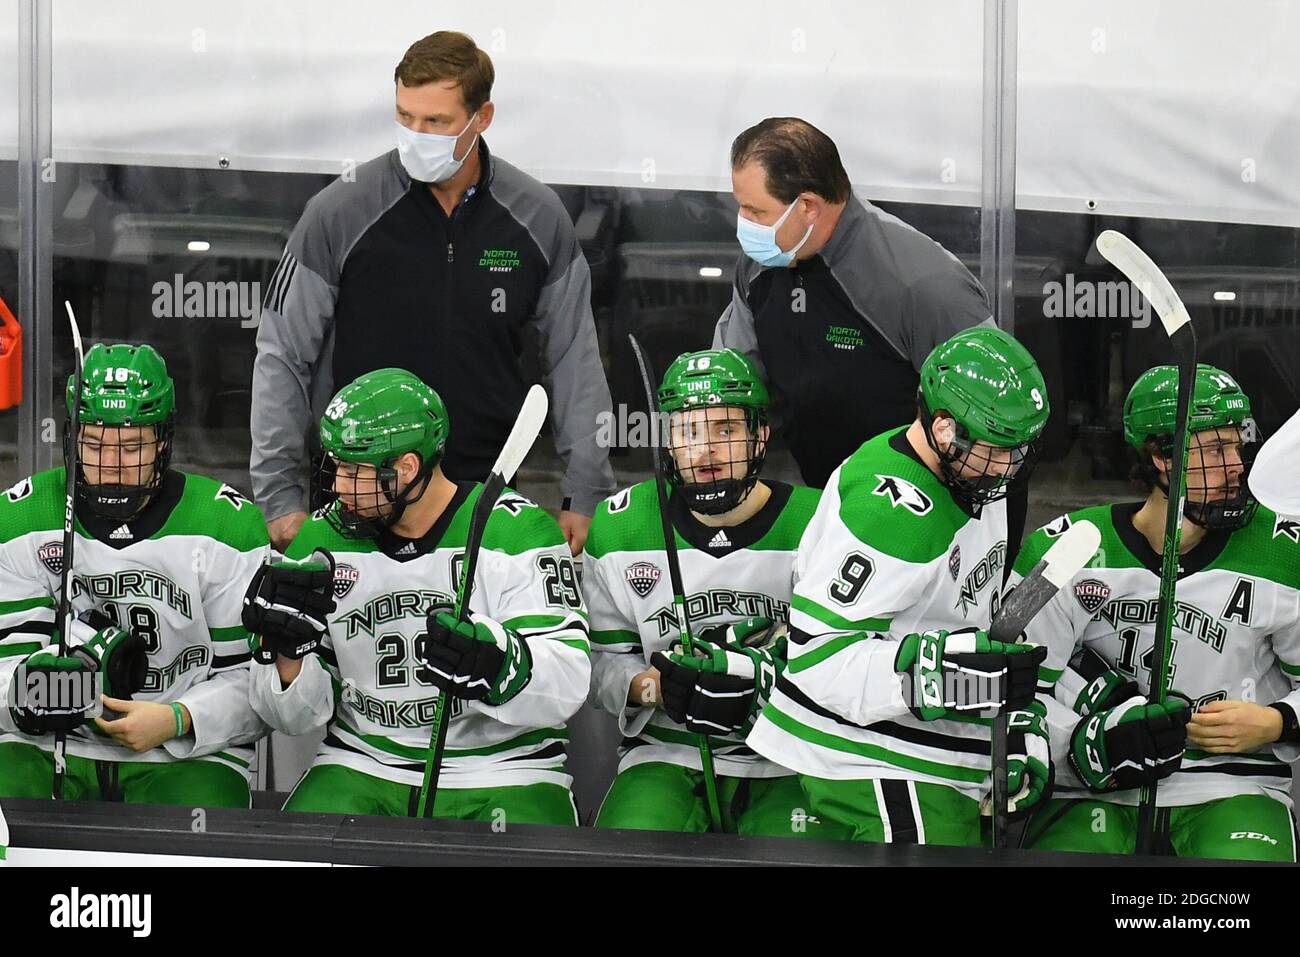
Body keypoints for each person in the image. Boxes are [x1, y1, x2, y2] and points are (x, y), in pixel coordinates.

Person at [251, 30, 614, 557]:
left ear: (481, 118)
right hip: (358, 496)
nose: (416, 134)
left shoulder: (538, 217)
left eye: (436, 122)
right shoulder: (339, 211)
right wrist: (279, 495)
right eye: (404, 117)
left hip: (484, 499)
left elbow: (574, 361)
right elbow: (282, 354)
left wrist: (587, 491)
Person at [747, 326, 1052, 845]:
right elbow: (817, 660)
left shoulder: (976, 478)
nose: (1007, 468)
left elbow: (965, 627)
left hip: (927, 746)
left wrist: (1011, 729)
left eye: (1016, 450)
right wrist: (941, 675)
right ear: (943, 427)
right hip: (864, 752)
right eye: (994, 449)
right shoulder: (890, 513)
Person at [247, 369, 590, 823]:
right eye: (336, 467)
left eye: (355, 471)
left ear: (407, 468)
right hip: (362, 762)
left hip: (505, 768)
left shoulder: (517, 531)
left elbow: (570, 681)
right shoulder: (323, 537)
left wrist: (497, 662)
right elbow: (295, 720)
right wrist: (288, 660)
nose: (339, 488)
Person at [1017, 364, 1299, 861]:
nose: (1237, 464)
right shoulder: (1067, 548)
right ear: (1161, 456)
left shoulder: (1282, 551)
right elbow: (1018, 689)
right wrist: (1085, 743)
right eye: (1216, 450)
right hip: (1093, 786)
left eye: (1238, 445)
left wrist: (1279, 722)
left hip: (1231, 785)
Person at [0, 343, 269, 807]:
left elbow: (252, 684)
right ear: (70, 438)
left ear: (163, 442)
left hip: (182, 752)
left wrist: (180, 719)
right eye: (94, 443)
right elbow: (8, 661)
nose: (111, 465)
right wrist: (24, 691)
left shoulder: (227, 526)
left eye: (131, 446)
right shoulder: (23, 516)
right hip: (50, 744)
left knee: (202, 830)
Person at [584, 349, 821, 835]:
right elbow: (597, 662)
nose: (704, 451)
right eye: (687, 432)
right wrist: (653, 688)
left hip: (790, 755)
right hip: (667, 752)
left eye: (726, 431)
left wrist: (761, 680)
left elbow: (844, 660)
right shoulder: (621, 525)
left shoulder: (820, 523)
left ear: (760, 437)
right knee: (626, 850)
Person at [714, 116, 992, 490]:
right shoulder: (758, 266)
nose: (743, 223)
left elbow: (993, 427)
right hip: (822, 495)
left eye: (756, 212)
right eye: (740, 207)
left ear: (808, 206)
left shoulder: (923, 284)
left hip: (920, 507)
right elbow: (732, 380)